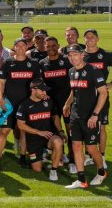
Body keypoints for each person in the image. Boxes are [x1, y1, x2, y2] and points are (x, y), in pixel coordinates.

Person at [63, 44, 109, 189]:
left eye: (75, 54)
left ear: (82, 54)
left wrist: (95, 115)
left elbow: (103, 93)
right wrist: (67, 104)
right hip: (75, 116)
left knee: (90, 148)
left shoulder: (93, 71)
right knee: (76, 146)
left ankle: (101, 172)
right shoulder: (71, 71)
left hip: (90, 117)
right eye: (70, 55)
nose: (72, 58)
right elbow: (74, 90)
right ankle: (81, 179)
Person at [82, 29, 112, 169]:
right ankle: (89, 155)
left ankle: (101, 155)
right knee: (85, 127)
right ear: (84, 39)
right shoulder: (80, 56)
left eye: (92, 37)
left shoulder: (106, 55)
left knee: (101, 127)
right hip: (83, 97)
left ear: (97, 39)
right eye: (87, 37)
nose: (90, 39)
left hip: (101, 96)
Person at [0, 38, 41, 170]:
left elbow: (38, 83)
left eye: (23, 45)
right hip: (8, 103)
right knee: (4, 131)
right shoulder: (8, 63)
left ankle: (22, 157)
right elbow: (1, 82)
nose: (20, 48)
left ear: (27, 47)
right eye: (17, 45)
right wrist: (0, 99)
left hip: (26, 105)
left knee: (23, 132)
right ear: (14, 47)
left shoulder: (33, 63)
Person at [16, 79, 64, 181]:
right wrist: (38, 132)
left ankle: (53, 170)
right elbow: (20, 125)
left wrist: (61, 131)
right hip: (33, 139)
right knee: (37, 169)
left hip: (48, 135)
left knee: (58, 142)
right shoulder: (24, 105)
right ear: (33, 90)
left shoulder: (48, 101)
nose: (44, 93)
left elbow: (55, 117)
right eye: (42, 90)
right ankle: (42, 154)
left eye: (45, 91)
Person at [39, 36, 73, 167]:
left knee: (70, 132)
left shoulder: (66, 60)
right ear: (44, 47)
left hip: (67, 103)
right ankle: (60, 156)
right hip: (51, 105)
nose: (51, 48)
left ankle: (72, 158)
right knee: (55, 132)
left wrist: (69, 102)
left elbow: (73, 82)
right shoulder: (42, 63)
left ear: (58, 45)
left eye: (54, 45)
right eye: (48, 46)